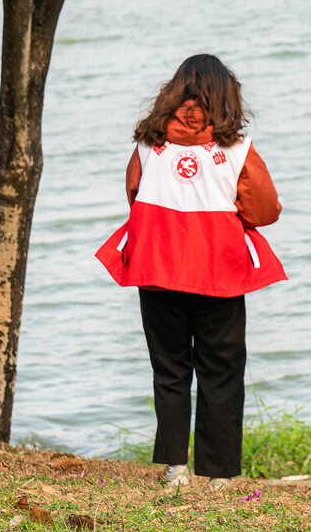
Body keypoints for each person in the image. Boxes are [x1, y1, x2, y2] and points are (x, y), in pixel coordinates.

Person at [96, 54, 284, 492]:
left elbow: (134, 194)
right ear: (226, 97)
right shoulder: (237, 148)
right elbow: (264, 210)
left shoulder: (149, 143)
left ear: (173, 92)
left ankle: (175, 469)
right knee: (222, 371)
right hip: (219, 273)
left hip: (157, 270)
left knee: (169, 369)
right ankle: (219, 474)